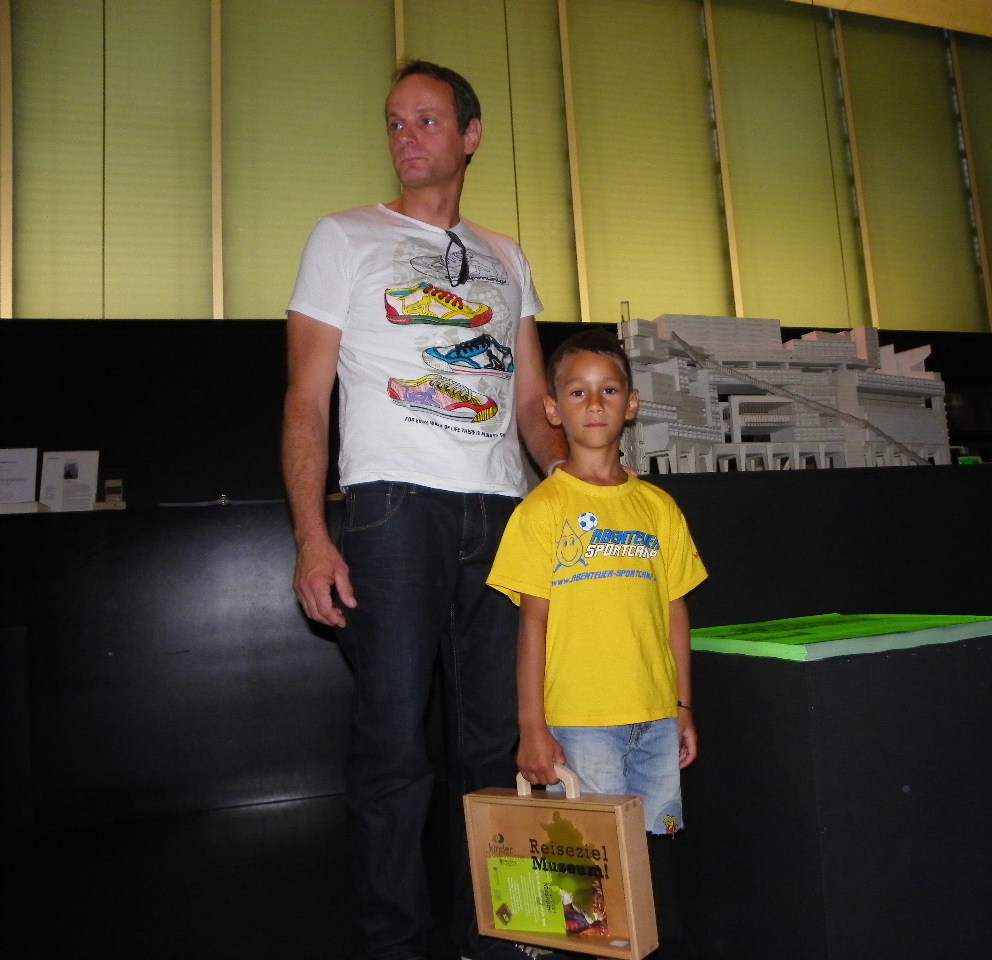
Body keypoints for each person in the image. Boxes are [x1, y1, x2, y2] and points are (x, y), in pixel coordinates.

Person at [282, 60, 571, 960]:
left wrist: (580, 480)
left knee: (500, 745)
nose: (406, 137)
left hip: (505, 515)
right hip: (394, 511)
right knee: (393, 749)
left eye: (427, 121)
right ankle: (394, 944)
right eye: (395, 122)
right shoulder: (344, 237)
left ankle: (502, 937)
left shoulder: (508, 257)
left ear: (470, 136)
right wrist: (312, 537)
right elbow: (305, 399)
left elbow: (532, 405)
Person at [486, 329, 707, 959]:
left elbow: (676, 611)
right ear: (553, 409)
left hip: (655, 718)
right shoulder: (541, 510)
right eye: (578, 392)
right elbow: (531, 625)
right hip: (581, 723)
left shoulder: (658, 508)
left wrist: (682, 707)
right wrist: (532, 728)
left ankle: (640, 947)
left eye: (609, 390)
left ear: (631, 404)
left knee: (648, 852)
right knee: (588, 868)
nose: (594, 404)